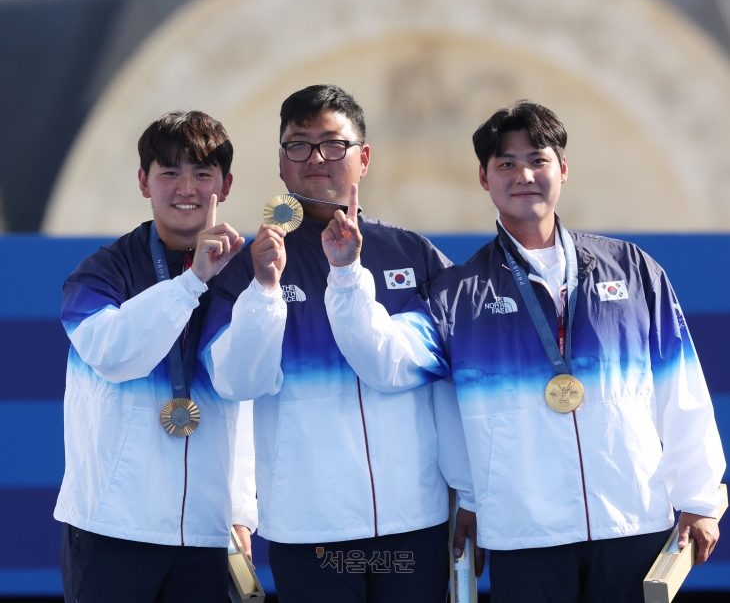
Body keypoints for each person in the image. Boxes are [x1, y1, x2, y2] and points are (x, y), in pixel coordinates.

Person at [323, 101, 726, 602]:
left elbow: (681, 388)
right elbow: (386, 363)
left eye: (537, 158)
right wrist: (345, 275)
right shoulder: (456, 295)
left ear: (562, 168)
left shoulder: (632, 270)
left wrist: (700, 498)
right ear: (484, 178)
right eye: (506, 164)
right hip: (525, 534)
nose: (524, 174)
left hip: (634, 522)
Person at [200, 84, 477, 603]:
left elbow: (430, 379)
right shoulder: (249, 265)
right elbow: (236, 382)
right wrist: (263, 289)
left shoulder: (412, 254)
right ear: (282, 164)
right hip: (308, 528)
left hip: (411, 520)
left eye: (333, 144)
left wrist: (472, 493)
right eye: (298, 146)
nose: (315, 160)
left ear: (364, 157)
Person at [54, 110, 257, 603]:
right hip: (113, 528)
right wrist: (191, 284)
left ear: (225, 185)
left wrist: (241, 511)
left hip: (208, 536)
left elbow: (246, 396)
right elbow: (113, 354)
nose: (186, 187)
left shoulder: (245, 276)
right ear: (144, 181)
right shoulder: (101, 272)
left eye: (202, 173)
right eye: (169, 172)